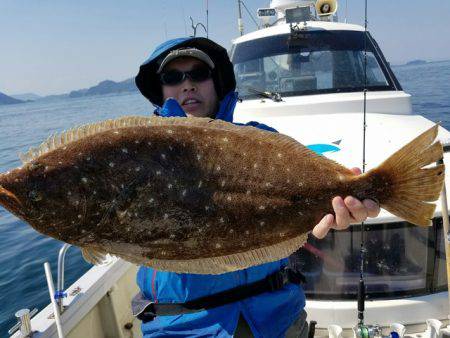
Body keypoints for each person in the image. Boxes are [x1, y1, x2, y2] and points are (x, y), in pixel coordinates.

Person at [133, 37, 380, 337]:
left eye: (198, 73)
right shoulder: (140, 156)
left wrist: (340, 208)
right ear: (159, 89)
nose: (187, 85)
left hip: (276, 320)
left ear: (216, 81)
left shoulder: (262, 140)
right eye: (173, 77)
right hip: (181, 328)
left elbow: (309, 213)